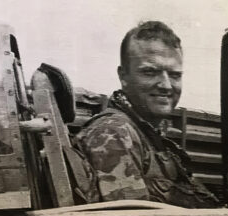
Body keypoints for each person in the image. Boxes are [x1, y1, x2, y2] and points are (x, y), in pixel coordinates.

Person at [73, 21, 220, 208]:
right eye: (150, 72)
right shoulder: (113, 134)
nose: (166, 85)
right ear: (124, 76)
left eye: (175, 75)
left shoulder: (147, 136)